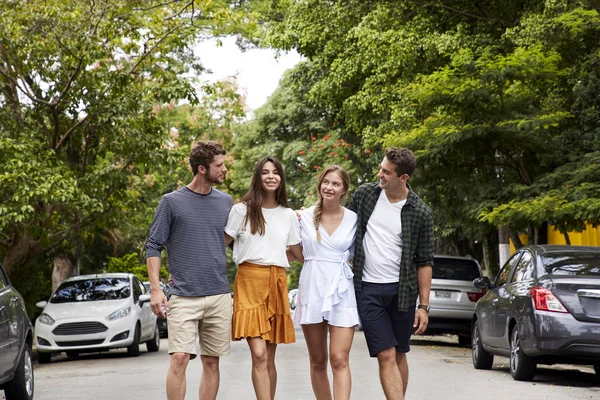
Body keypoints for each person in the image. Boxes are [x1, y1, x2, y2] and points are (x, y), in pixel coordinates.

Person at [145, 141, 233, 400]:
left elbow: (234, 239)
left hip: (218, 294)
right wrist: (155, 291)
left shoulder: (226, 202)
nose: (225, 169)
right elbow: (153, 245)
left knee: (212, 362)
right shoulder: (171, 202)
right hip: (183, 295)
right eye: (220, 165)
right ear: (202, 169)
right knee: (180, 358)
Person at [348, 147, 434, 400]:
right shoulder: (365, 195)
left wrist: (424, 306)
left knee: (399, 353)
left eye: (386, 172)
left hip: (402, 292)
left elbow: (425, 261)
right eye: (381, 168)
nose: (380, 174)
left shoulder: (420, 212)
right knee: (385, 353)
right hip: (368, 288)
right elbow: (341, 221)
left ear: (403, 178)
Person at [224, 156, 303, 400]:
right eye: (265, 172)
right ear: (258, 177)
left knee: (269, 357)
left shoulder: (289, 215)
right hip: (248, 282)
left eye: (275, 172)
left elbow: (298, 254)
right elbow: (218, 245)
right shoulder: (240, 211)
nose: (271, 176)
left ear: (281, 178)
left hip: (276, 282)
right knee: (258, 354)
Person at [292, 165, 359, 400]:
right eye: (326, 182)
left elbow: (360, 255)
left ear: (344, 190)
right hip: (312, 287)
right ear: (320, 184)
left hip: (342, 290)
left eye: (336, 184)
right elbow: (292, 251)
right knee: (318, 360)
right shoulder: (303, 217)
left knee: (339, 358)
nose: (329, 187)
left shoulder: (354, 220)